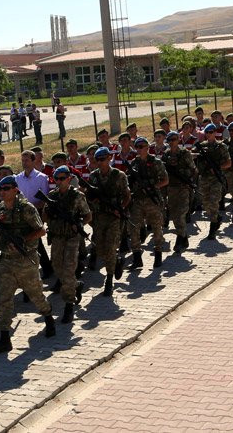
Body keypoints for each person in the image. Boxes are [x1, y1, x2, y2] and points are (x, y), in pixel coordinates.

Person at [0, 175, 56, 355]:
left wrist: (22, 239)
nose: (3, 192)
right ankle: (4, 338)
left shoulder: (26, 208)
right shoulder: (0, 209)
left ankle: (48, 317)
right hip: (6, 262)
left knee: (36, 294)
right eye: (0, 189)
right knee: (4, 299)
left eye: (7, 188)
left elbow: (41, 230)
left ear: (15, 189)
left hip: (26, 260)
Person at [42, 165, 91, 323]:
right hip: (56, 237)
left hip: (71, 237)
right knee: (57, 267)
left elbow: (88, 215)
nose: (59, 181)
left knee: (69, 269)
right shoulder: (51, 196)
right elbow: (44, 217)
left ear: (69, 179)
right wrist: (50, 212)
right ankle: (75, 285)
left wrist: (80, 224)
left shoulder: (77, 196)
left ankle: (69, 305)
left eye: (63, 178)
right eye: (57, 178)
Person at [87, 147, 131, 296]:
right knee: (100, 249)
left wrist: (121, 209)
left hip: (114, 217)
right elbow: (89, 197)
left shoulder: (119, 175)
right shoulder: (93, 177)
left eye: (102, 159)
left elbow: (127, 196)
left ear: (109, 159)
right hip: (99, 217)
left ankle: (109, 280)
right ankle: (116, 261)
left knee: (111, 246)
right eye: (97, 160)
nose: (99, 163)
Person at [127, 137, 168, 269]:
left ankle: (158, 254)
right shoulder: (134, 163)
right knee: (133, 228)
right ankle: (137, 257)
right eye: (137, 147)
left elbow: (165, 180)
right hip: (138, 200)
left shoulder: (156, 162)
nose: (139, 149)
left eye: (141, 147)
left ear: (147, 148)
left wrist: (154, 187)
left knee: (156, 227)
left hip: (152, 199)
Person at [15, 150, 54, 278]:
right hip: (21, 214)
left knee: (36, 239)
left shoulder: (42, 178)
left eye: (27, 160)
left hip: (36, 213)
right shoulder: (18, 178)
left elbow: (44, 200)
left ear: (33, 161)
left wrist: (31, 207)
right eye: (22, 160)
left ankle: (46, 268)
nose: (24, 163)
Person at [195, 124, 231, 240]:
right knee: (206, 204)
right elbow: (192, 156)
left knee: (214, 202)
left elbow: (228, 163)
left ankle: (212, 228)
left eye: (211, 132)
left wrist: (218, 167)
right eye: (207, 132)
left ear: (215, 133)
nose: (209, 134)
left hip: (216, 179)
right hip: (204, 179)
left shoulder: (221, 146)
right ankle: (216, 218)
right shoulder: (201, 146)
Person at [163, 131, 197, 252]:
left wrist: (188, 181)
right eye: (170, 140)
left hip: (183, 188)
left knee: (180, 214)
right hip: (171, 189)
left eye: (174, 139)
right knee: (173, 214)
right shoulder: (166, 155)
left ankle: (179, 238)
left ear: (178, 140)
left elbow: (193, 170)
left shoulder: (184, 153)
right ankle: (183, 236)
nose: (172, 142)